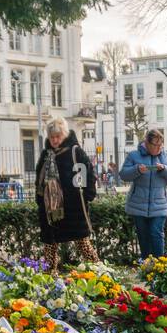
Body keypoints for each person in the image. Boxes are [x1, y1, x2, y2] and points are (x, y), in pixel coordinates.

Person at [34, 117, 99, 273]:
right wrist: (40, 200)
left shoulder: (75, 152)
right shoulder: (46, 154)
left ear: (65, 134)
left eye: (58, 136)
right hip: (50, 209)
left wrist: (86, 196)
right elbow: (39, 180)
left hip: (73, 208)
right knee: (50, 245)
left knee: (83, 244)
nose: (55, 140)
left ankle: (101, 274)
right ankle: (49, 279)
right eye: (52, 137)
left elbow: (87, 177)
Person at [121, 128, 167, 261]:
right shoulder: (133, 156)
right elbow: (123, 175)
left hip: (160, 204)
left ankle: (160, 264)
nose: (159, 147)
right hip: (138, 204)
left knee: (156, 232)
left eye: (161, 144)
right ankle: (146, 264)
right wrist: (137, 169)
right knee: (143, 235)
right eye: (156, 144)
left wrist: (165, 169)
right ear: (147, 143)